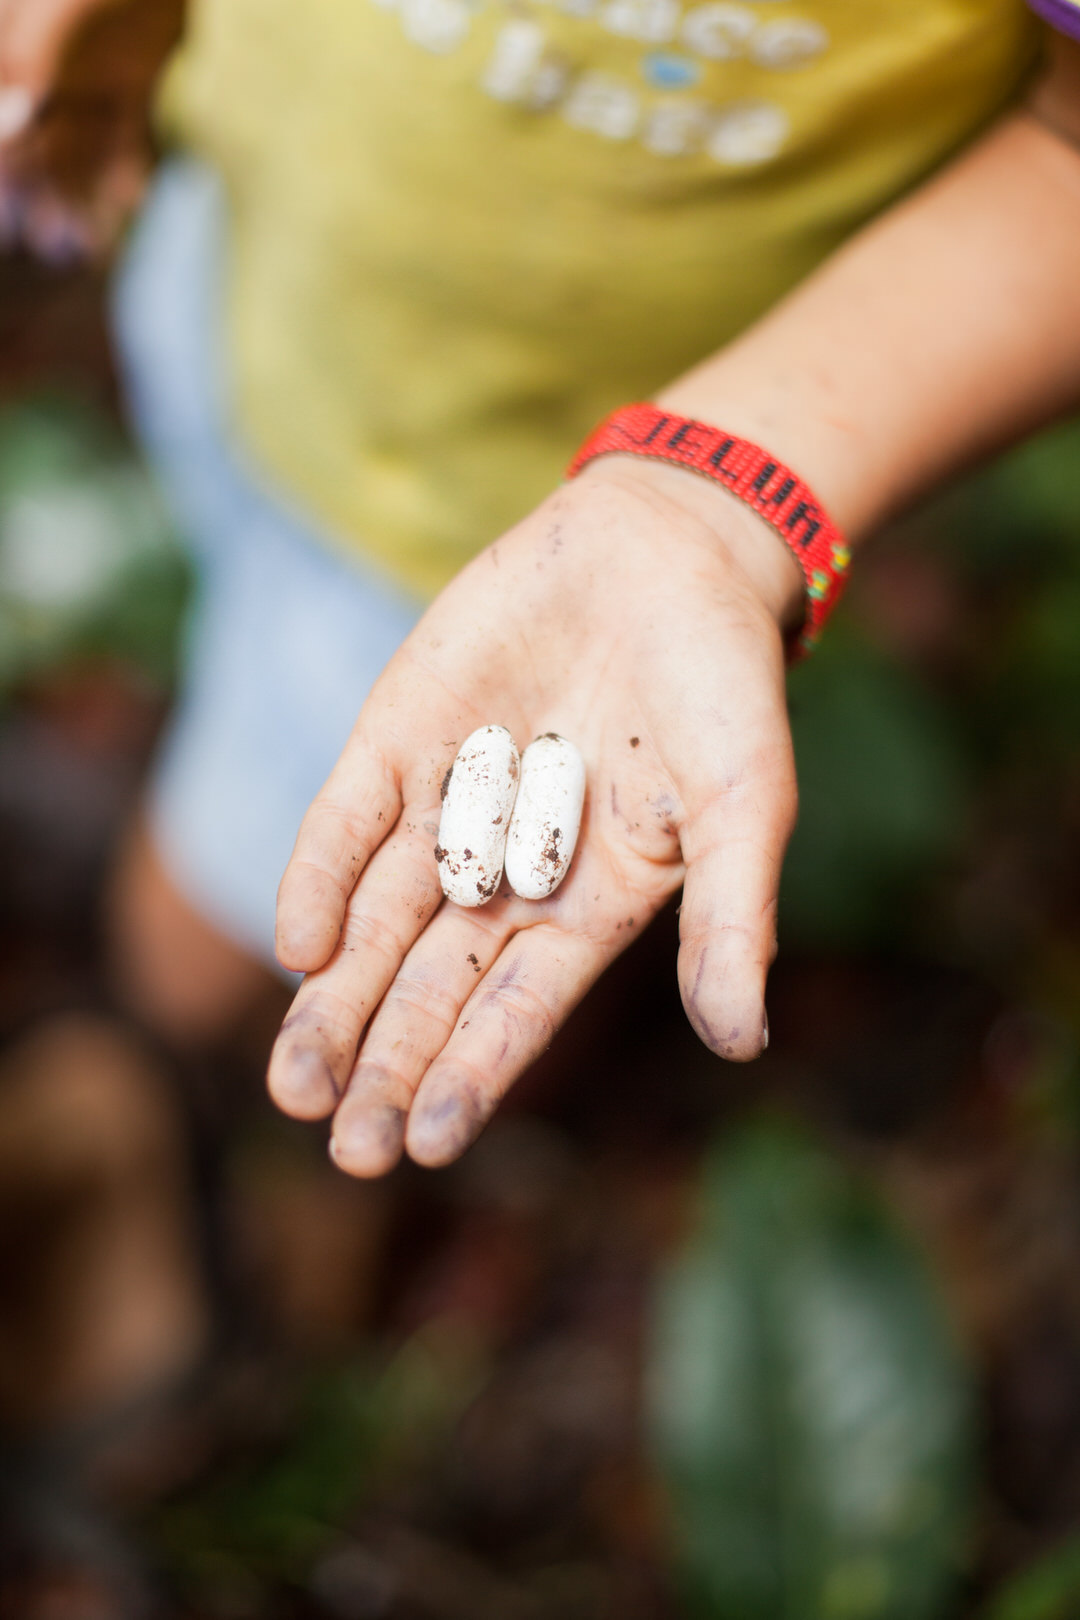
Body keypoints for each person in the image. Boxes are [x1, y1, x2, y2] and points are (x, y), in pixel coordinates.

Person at [2, 0, 1079, 1178]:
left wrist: (725, 489)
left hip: (497, 542)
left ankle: (209, 1102)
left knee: (196, 952)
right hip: (248, 265)